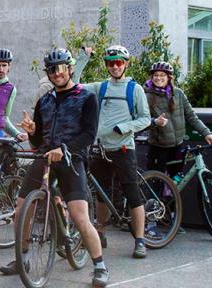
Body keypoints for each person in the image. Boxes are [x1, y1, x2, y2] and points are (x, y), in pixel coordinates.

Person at [0, 48, 108, 287]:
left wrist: (65, 149)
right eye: (51, 69)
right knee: (21, 210)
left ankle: (99, 265)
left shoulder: (86, 97)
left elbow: (89, 134)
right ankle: (23, 259)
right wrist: (32, 132)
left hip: (72, 159)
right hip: (44, 157)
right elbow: (38, 143)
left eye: (60, 68)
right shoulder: (45, 101)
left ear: (69, 68)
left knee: (80, 217)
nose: (56, 73)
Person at [81, 45, 151, 259]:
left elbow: (145, 118)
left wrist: (125, 127)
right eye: (111, 63)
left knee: (132, 194)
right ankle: (100, 233)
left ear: (126, 64)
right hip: (101, 149)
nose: (115, 66)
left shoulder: (134, 89)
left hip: (123, 149)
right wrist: (83, 58)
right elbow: (73, 85)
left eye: (119, 62)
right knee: (101, 194)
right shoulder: (101, 87)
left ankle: (140, 240)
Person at [143, 61, 212, 181]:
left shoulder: (178, 94)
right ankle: (155, 200)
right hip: (158, 148)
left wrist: (206, 133)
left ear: (169, 77)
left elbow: (191, 117)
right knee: (156, 182)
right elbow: (141, 121)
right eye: (155, 75)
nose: (158, 78)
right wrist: (155, 121)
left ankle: (172, 199)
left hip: (177, 147)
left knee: (177, 179)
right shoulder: (146, 96)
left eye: (162, 75)